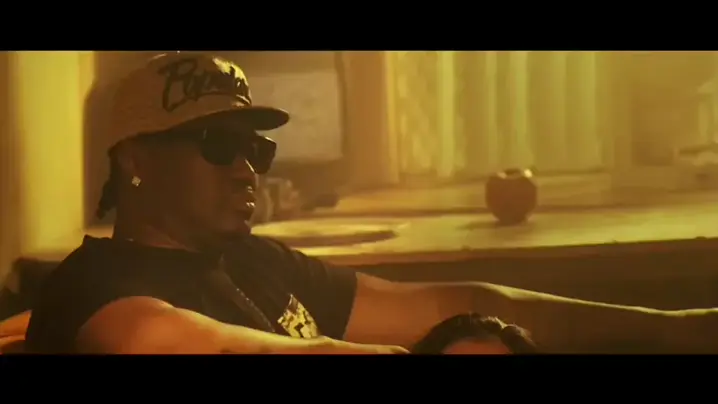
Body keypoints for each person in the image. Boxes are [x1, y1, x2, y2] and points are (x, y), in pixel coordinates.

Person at [24, 52, 716, 354]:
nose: (246, 168)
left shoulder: (256, 263)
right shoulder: (94, 285)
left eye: (256, 148)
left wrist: (677, 329)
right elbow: (174, 343)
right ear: (134, 160)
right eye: (218, 144)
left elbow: (449, 303)